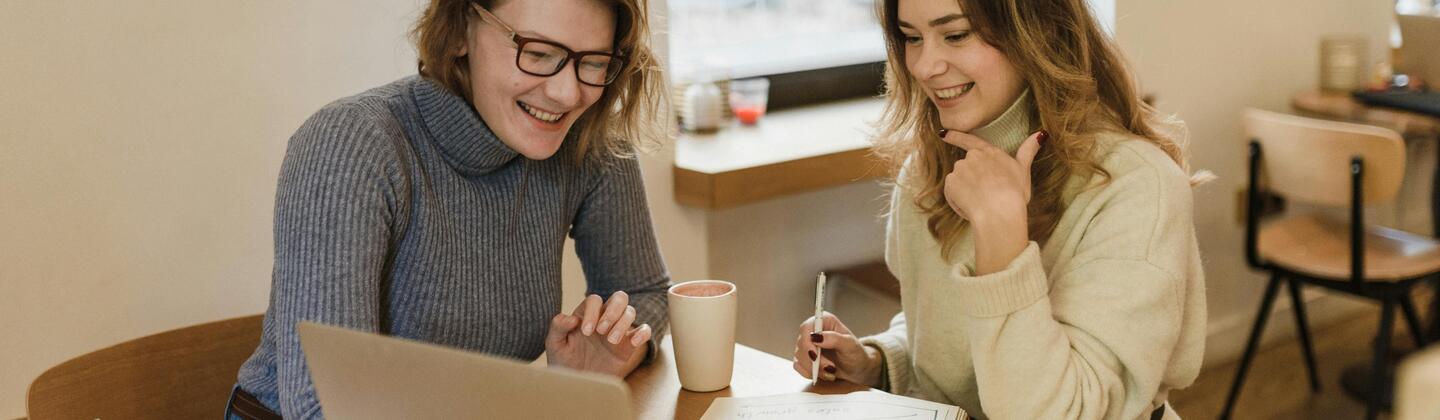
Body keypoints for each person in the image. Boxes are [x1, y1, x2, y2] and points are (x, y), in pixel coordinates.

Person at [226, 0, 671, 418]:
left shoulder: (587, 140)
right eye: (538, 53)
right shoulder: (355, 144)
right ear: (460, 29)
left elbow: (644, 291)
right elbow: (323, 406)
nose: (566, 93)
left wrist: (611, 352)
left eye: (593, 62)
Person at [792, 0, 1208, 419]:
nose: (923, 66)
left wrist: (1002, 234)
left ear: (1038, 32)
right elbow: (946, 336)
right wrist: (877, 363)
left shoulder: (1136, 186)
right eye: (912, 38)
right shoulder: (928, 168)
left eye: (956, 35)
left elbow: (1064, 412)